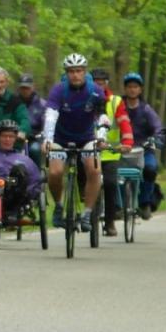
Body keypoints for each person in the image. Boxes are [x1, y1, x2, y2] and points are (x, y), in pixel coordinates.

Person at [42, 52, 107, 231]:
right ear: (66, 73)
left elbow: (102, 116)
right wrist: (47, 139)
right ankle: (59, 205)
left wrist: (102, 137)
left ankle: (87, 213)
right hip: (60, 138)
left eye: (79, 71)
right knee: (55, 172)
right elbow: (50, 115)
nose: (75, 75)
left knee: (94, 170)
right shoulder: (59, 90)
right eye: (71, 71)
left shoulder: (95, 90)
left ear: (85, 72)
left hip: (86, 138)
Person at [91, 70, 134, 236]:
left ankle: (109, 222)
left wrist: (127, 142)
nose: (99, 85)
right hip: (90, 150)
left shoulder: (115, 102)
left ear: (107, 83)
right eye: (96, 82)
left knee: (109, 183)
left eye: (102, 82)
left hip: (110, 152)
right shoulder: (84, 100)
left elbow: (124, 123)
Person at [121, 72, 165, 218]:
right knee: (110, 173)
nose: (132, 90)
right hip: (121, 148)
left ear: (140, 90)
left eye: (135, 87)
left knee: (151, 169)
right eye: (129, 86)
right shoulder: (118, 107)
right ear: (125, 89)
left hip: (143, 149)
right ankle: (115, 205)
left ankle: (145, 202)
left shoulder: (146, 109)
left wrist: (156, 138)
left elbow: (158, 127)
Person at [0, 119, 43, 218]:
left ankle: (12, 211)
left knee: (19, 169)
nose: (7, 139)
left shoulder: (25, 160)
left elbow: (35, 182)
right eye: (4, 136)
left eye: (11, 136)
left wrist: (30, 194)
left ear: (15, 138)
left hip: (14, 193)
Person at [16, 73, 46, 164]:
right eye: (22, 88)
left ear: (33, 87)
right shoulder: (13, 102)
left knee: (34, 149)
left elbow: (46, 124)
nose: (25, 90)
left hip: (35, 138)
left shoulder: (42, 104)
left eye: (27, 88)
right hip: (15, 138)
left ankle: (36, 174)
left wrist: (42, 136)